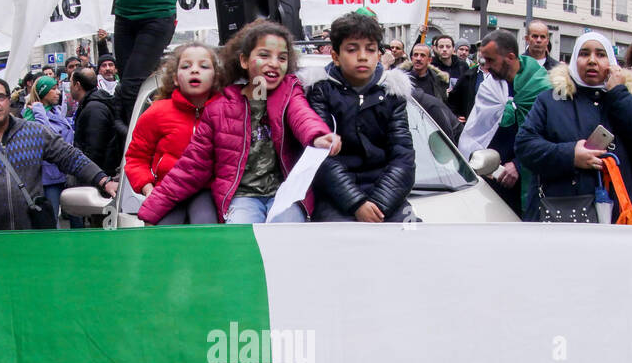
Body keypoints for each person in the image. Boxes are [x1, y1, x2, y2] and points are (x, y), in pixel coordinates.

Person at [137, 20, 339, 225]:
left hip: (284, 195)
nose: (274, 63)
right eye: (264, 55)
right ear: (243, 60)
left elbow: (303, 117)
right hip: (242, 198)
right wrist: (151, 210)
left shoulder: (290, 92)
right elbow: (191, 167)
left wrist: (318, 136)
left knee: (285, 237)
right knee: (241, 238)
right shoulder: (219, 109)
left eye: (282, 58)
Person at [516, 32, 632, 224]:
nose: (592, 60)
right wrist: (570, 155)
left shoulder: (625, 98)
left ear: (611, 62)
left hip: (621, 215)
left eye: (600, 54)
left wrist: (619, 94)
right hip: (564, 215)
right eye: (584, 54)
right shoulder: (550, 100)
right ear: (575, 59)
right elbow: (525, 146)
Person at [0, 76, 117, 231]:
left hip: (32, 235)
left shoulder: (34, 133)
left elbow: (70, 156)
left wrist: (104, 181)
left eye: (0, 97)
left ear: (9, 100)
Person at [304, 13, 416, 223]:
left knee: (412, 237)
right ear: (335, 56)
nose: (363, 56)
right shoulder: (320, 91)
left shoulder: (393, 94)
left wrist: (379, 205)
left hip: (386, 195)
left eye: (370, 49)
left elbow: (403, 157)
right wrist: (356, 204)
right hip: (336, 196)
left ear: (379, 54)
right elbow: (321, 159)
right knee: (339, 241)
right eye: (352, 49)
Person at [96, 0, 185, 128]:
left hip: (157, 17)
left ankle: (136, 136)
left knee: (131, 86)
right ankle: (138, 131)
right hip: (125, 18)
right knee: (128, 82)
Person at [124, 42, 222, 224]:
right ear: (175, 78)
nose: (195, 70)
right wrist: (148, 189)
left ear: (216, 77)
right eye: (186, 66)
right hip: (167, 191)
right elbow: (136, 158)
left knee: (206, 227)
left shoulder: (225, 112)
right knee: (163, 234)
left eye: (203, 66)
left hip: (208, 192)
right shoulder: (157, 112)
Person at [467, 29, 554, 217]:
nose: (486, 66)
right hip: (492, 180)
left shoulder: (542, 87)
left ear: (511, 57)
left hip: (527, 182)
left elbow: (549, 138)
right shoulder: (490, 85)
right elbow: (479, 128)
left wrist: (518, 165)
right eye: (484, 60)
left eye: (491, 60)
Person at [30, 77, 82, 226]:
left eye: (57, 88)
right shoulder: (32, 114)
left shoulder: (56, 110)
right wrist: (38, 110)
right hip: (50, 177)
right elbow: (47, 137)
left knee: (77, 217)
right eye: (53, 89)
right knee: (52, 219)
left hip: (67, 172)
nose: (58, 92)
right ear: (43, 92)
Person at [71, 67, 125, 177]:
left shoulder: (94, 109)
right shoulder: (90, 104)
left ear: (77, 85)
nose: (69, 87)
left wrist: (88, 175)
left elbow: (94, 150)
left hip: (99, 176)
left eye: (71, 83)